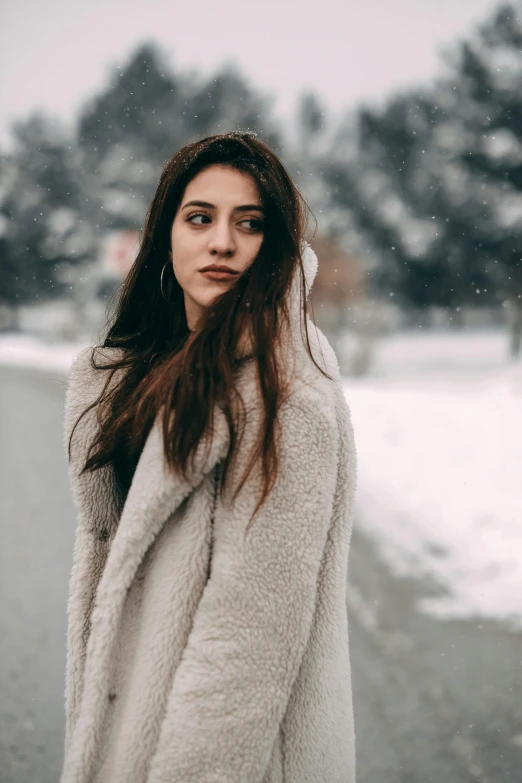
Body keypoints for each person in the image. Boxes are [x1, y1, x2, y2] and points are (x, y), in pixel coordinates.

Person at [60, 131, 358, 783]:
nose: (222, 241)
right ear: (166, 232)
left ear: (272, 246)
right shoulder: (138, 373)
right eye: (200, 218)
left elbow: (248, 642)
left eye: (248, 224)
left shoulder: (284, 392)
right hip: (130, 734)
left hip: (222, 757)